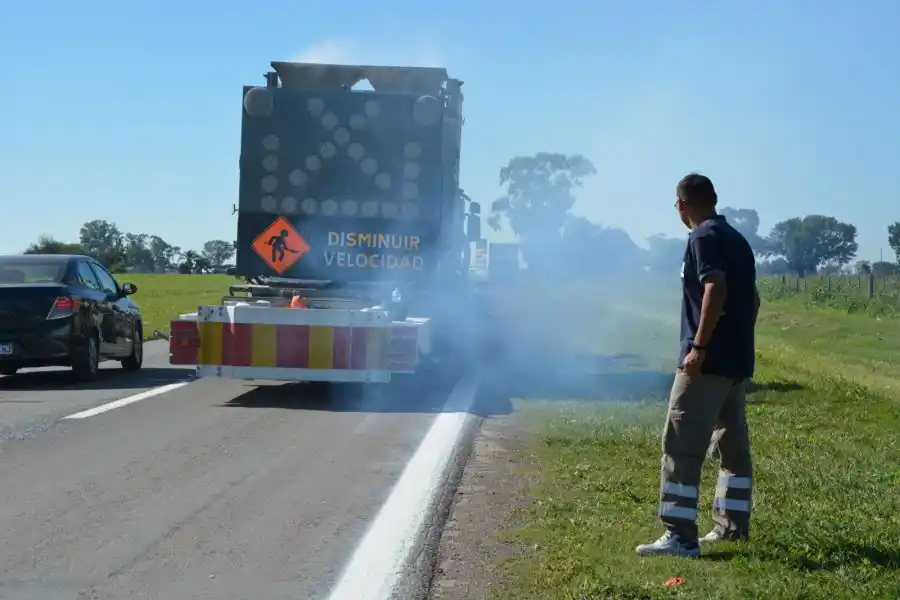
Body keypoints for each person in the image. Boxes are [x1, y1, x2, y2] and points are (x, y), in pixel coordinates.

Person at [635, 173, 761, 558]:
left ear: (680, 205)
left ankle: (680, 535)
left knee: (681, 444)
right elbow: (753, 302)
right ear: (715, 199)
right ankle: (731, 528)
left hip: (706, 364)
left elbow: (714, 287)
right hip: (736, 364)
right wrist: (735, 342)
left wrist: (700, 346)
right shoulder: (736, 239)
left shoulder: (702, 236)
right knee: (732, 447)